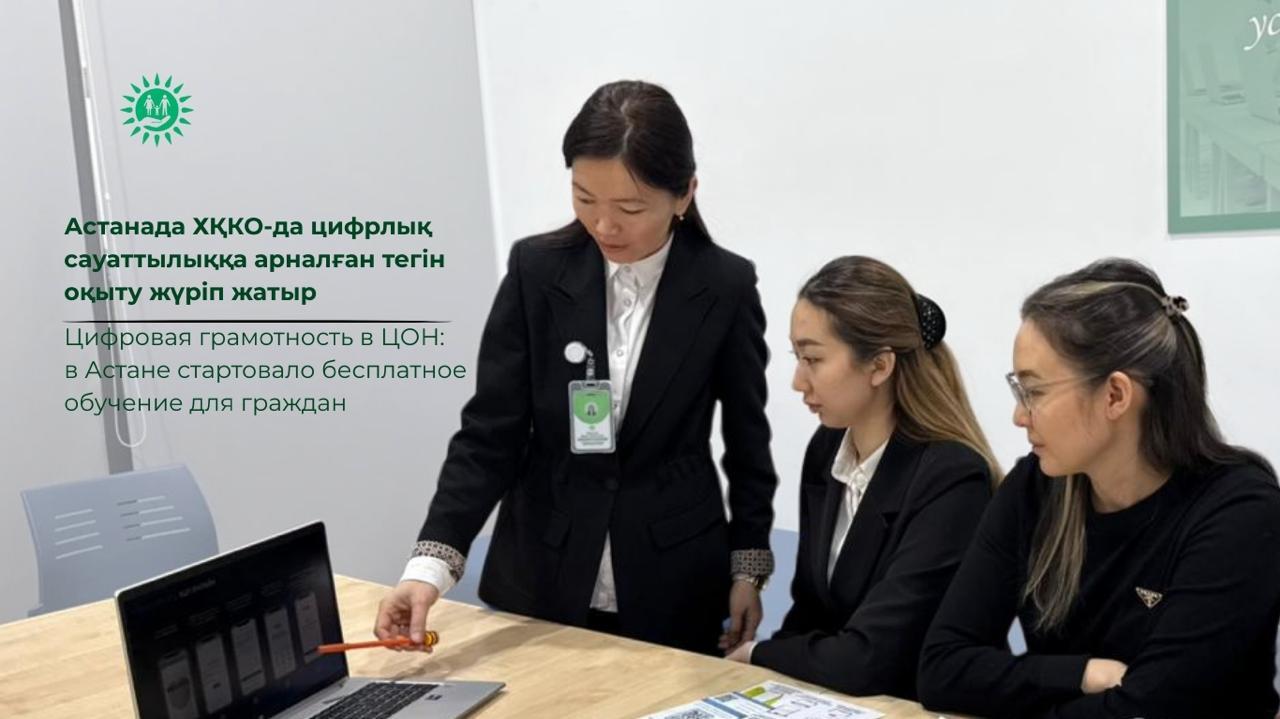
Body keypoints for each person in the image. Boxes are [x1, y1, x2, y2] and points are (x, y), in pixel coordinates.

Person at [373, 80, 778, 655]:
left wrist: (748, 570)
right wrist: (429, 566)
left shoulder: (725, 286)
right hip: (542, 569)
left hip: (673, 578)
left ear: (684, 194)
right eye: (584, 198)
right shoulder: (537, 270)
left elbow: (748, 444)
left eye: (629, 208)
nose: (604, 226)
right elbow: (490, 434)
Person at [918, 259, 1280, 718]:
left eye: (1034, 391)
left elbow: (1149, 707)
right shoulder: (1035, 486)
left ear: (1115, 396)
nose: (1019, 416)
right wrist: (1083, 674)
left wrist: (1026, 691)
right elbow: (942, 669)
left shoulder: (1239, 510)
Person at [725, 256, 998, 699]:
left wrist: (758, 654)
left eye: (813, 359)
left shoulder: (953, 479)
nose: (798, 381)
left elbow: (872, 659)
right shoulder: (826, 449)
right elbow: (810, 613)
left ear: (880, 366)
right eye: (798, 357)